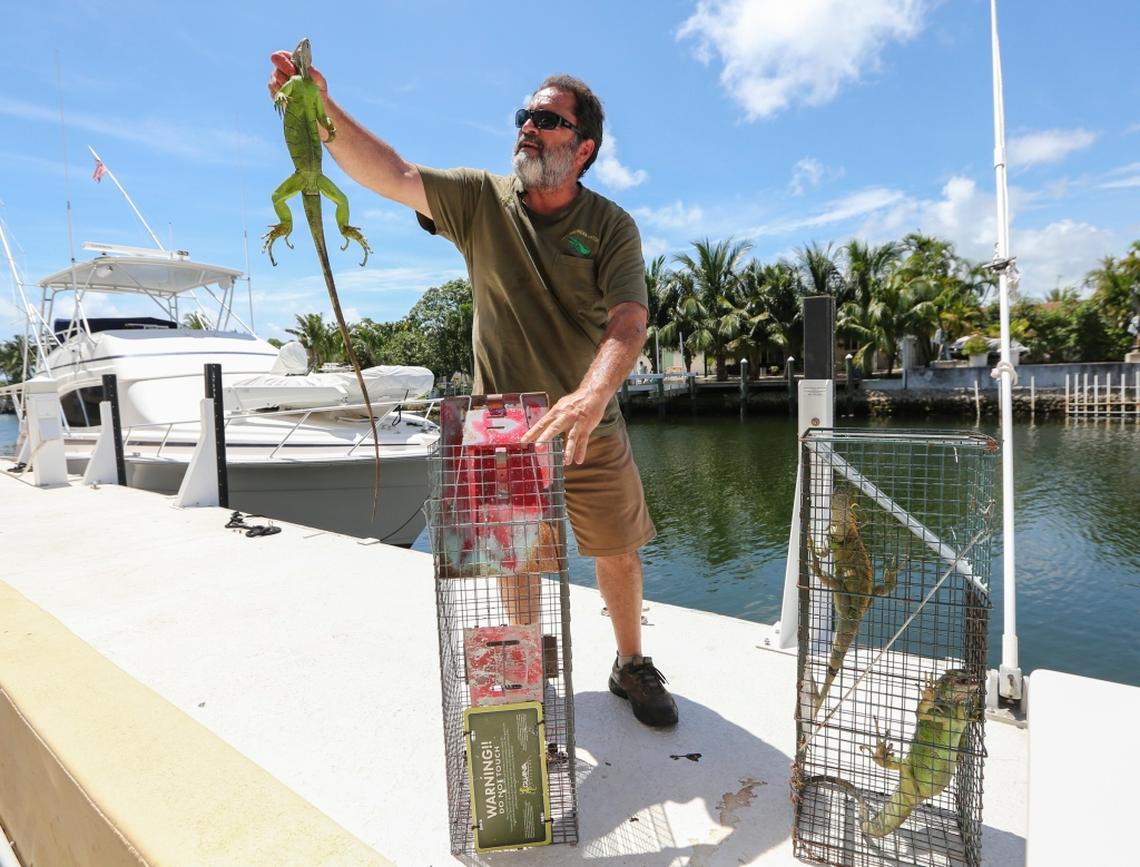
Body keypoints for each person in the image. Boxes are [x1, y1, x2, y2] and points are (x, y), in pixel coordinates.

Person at [267, 54, 677, 728]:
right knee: (515, 563)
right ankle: (523, 669)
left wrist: (593, 393)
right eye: (524, 117)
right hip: (503, 428)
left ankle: (630, 661)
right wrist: (319, 108)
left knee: (619, 553)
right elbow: (391, 174)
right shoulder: (482, 200)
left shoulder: (610, 227)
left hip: (587, 425)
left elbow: (630, 321)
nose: (527, 128)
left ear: (584, 149)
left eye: (547, 120)